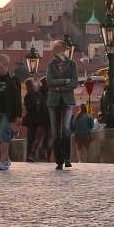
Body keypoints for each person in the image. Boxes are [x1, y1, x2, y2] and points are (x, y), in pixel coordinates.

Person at [46, 36, 81, 170]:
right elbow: (50, 82)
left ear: (63, 50)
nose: (53, 52)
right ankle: (59, 161)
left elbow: (74, 82)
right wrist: (65, 81)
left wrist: (60, 87)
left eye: (56, 50)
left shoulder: (72, 64)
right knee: (55, 132)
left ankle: (67, 158)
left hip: (67, 100)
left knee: (66, 129)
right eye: (53, 50)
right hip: (53, 101)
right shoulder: (51, 64)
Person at [0, 55, 22, 171]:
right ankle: (7, 159)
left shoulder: (13, 79)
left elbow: (17, 98)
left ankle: (2, 161)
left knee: (3, 135)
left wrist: (19, 115)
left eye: (1, 66)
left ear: (7, 66)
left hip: (8, 113)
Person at [22, 77, 49, 162]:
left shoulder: (29, 94)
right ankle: (31, 155)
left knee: (32, 137)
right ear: (32, 85)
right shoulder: (32, 95)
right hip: (33, 120)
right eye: (34, 83)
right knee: (32, 138)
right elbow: (35, 107)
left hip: (31, 119)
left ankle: (30, 155)